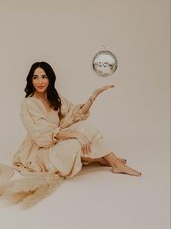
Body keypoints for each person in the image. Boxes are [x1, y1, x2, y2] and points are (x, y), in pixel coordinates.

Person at [12, 61, 142, 178]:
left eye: (44, 77)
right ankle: (101, 158)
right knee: (75, 143)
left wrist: (93, 97)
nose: (40, 82)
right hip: (41, 149)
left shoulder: (53, 97)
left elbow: (74, 114)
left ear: (50, 79)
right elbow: (43, 134)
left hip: (57, 140)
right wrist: (76, 135)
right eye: (35, 77)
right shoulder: (29, 103)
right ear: (30, 80)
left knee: (84, 127)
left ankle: (114, 163)